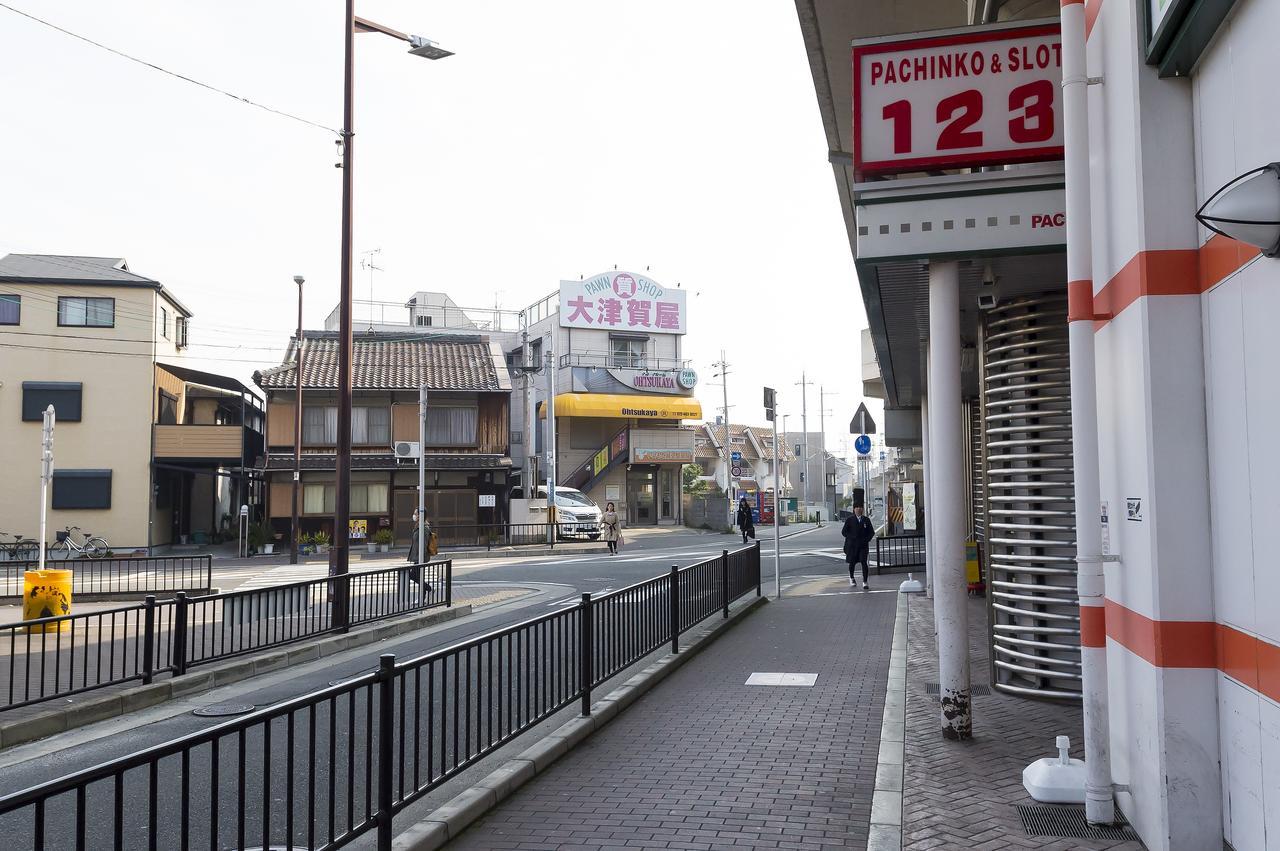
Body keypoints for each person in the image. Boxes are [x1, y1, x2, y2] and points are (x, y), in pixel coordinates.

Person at [842, 504, 875, 589]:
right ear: (854, 509)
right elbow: (844, 532)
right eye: (857, 508)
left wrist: (866, 539)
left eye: (860, 507)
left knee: (864, 562)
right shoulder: (850, 520)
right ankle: (852, 577)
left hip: (863, 545)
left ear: (862, 509)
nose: (859, 509)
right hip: (852, 546)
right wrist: (851, 537)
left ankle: (865, 581)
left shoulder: (866, 520)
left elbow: (871, 532)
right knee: (852, 562)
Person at [406, 510, 434, 595]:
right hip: (417, 556)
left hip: (420, 557)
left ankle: (429, 590)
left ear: (420, 515)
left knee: (414, 576)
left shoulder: (424, 527)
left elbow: (424, 543)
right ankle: (424, 595)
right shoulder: (419, 526)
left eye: (415, 514)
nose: (414, 515)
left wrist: (421, 557)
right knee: (416, 576)